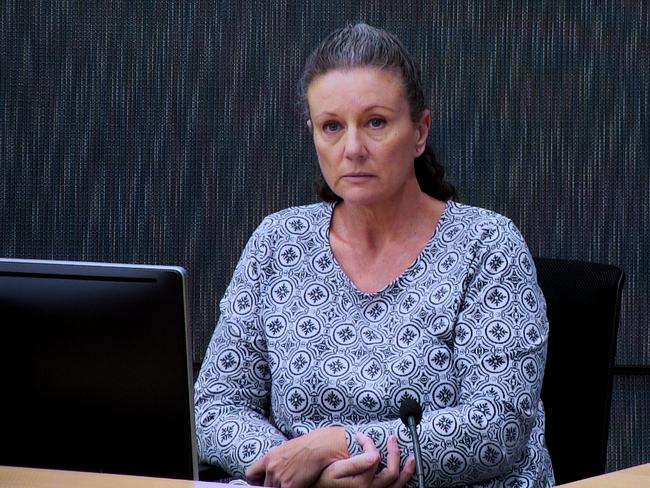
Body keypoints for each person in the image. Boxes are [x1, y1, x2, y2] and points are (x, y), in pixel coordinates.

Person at [195, 23, 555, 487]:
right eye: (331, 126)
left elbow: (497, 429)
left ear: (420, 131)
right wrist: (303, 470)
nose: (353, 149)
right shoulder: (277, 241)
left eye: (376, 122)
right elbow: (216, 406)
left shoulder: (488, 245)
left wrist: (338, 445)